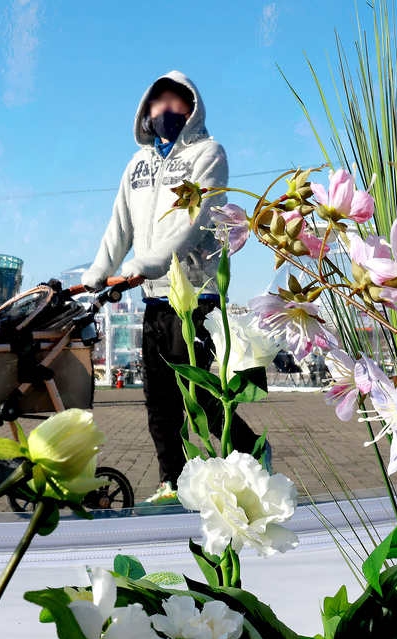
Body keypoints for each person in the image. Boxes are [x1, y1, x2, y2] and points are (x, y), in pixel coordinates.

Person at [81, 72, 265, 504]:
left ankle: (252, 456)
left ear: (192, 108)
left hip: (195, 295)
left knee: (204, 394)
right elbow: (119, 226)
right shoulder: (137, 164)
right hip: (153, 300)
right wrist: (99, 270)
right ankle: (170, 480)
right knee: (159, 399)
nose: (166, 111)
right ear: (146, 111)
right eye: (157, 103)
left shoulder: (208, 154)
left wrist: (146, 263)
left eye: (176, 103)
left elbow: (194, 218)